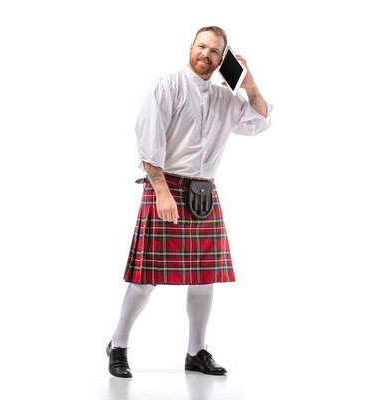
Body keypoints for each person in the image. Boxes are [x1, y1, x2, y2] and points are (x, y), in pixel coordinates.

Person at [107, 26, 273, 378]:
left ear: (223, 58)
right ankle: (118, 345)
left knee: (204, 278)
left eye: (215, 51)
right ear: (191, 47)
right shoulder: (167, 85)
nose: (206, 54)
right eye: (202, 46)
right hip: (166, 187)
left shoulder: (225, 98)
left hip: (203, 194)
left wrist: (249, 86)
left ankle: (196, 352)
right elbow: (148, 141)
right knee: (146, 277)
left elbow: (260, 122)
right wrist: (161, 192)